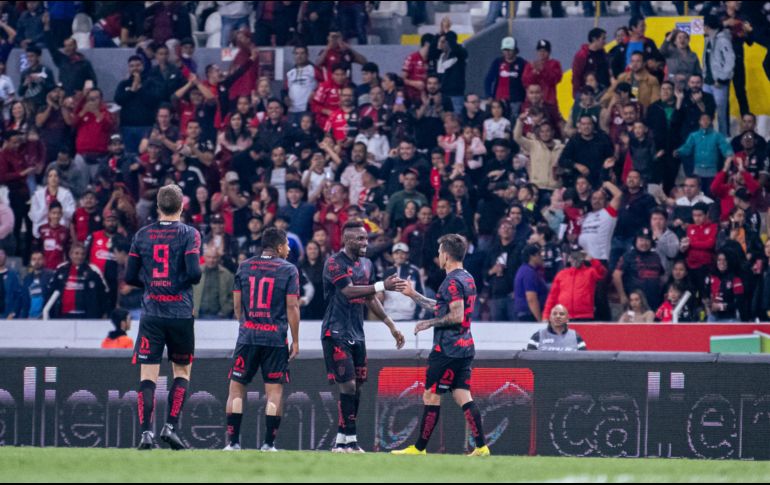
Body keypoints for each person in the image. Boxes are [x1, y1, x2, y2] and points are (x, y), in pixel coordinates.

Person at [392, 234, 490, 457]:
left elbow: (455, 316)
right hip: (465, 346)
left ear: (445, 255)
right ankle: (481, 447)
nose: (438, 256)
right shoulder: (467, 278)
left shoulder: (451, 282)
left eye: (439, 252)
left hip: (447, 350)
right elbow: (443, 306)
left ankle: (419, 449)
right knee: (462, 395)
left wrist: (429, 323)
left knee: (431, 395)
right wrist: (414, 295)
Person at [125, 185, 202, 451]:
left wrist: (151, 284)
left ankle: (146, 433)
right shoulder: (189, 234)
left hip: (152, 314)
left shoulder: (142, 235)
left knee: (148, 376)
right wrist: (177, 282)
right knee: (181, 371)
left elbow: (129, 277)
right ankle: (170, 427)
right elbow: (195, 274)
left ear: (158, 207)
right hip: (180, 313)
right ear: (181, 206)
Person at [322, 221, 406, 453]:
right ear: (346, 240)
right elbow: (348, 291)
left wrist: (391, 325)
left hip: (357, 333)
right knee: (348, 385)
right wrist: (381, 285)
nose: (365, 243)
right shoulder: (334, 263)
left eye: (366, 239)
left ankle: (342, 441)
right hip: (335, 331)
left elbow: (370, 297)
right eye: (360, 239)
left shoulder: (367, 264)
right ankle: (351, 440)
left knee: (356, 388)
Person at [224, 227, 300, 452]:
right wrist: (295, 340)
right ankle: (268, 444)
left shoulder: (244, 266)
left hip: (247, 337)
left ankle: (233, 443)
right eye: (287, 245)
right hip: (275, 339)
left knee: (236, 389)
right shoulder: (289, 269)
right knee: (274, 392)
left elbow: (237, 305)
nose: (289, 249)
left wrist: (246, 325)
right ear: (279, 247)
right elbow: (292, 306)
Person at [543, 249, 608, 322]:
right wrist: (546, 315)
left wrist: (592, 260)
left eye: (578, 257)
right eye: (573, 257)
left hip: (585, 316)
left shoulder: (590, 272)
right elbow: (552, 297)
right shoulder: (561, 274)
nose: (575, 260)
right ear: (569, 259)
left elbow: (602, 273)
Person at [702, 15, 735, 137]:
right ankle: (707, 137)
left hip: (719, 83)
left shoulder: (723, 40)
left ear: (707, 26)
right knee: (707, 112)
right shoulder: (708, 39)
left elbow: (730, 61)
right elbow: (707, 61)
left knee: (721, 114)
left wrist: (722, 78)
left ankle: (723, 138)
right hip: (707, 82)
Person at [484, 37, 527, 119]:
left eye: (510, 50)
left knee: (514, 120)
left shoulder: (522, 63)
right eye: (505, 50)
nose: (507, 52)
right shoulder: (497, 62)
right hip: (499, 99)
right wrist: (489, 95)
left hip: (516, 100)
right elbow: (488, 80)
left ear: (515, 50)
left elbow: (526, 82)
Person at [382, 243, 425, 322]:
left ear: (407, 255)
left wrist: (418, 316)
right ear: (392, 255)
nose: (399, 256)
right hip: (389, 316)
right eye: (396, 253)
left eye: (402, 253)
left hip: (409, 317)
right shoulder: (386, 272)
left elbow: (421, 293)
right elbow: (381, 294)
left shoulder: (415, 271)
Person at [194, 246, 234, 320]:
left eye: (214, 257)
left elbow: (233, 296)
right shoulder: (196, 272)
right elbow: (188, 293)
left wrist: (225, 311)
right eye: (209, 257)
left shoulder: (227, 275)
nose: (211, 260)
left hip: (220, 317)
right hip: (197, 316)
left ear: (219, 258)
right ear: (204, 257)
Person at [513, 244, 549, 322]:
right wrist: (540, 320)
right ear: (532, 256)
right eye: (539, 254)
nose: (542, 257)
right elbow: (531, 299)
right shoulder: (528, 273)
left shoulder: (524, 270)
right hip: (530, 315)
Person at [0, 248, 23, 319]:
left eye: (1, 254)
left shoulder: (12, 275)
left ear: (6, 256)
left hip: (8, 315)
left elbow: (18, 296)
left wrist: (13, 313)